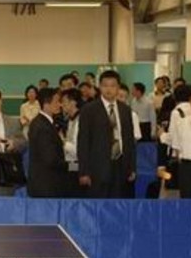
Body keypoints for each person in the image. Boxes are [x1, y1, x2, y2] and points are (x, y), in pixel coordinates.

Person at [77, 70, 138, 198]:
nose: (109, 89)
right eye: (105, 85)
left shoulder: (125, 110)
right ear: (99, 87)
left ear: (118, 88)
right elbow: (83, 142)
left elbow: (129, 140)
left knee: (120, 206)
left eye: (112, 85)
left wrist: (132, 167)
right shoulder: (89, 110)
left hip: (121, 166)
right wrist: (84, 172)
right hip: (97, 168)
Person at [27, 88, 69, 198]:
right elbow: (50, 158)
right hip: (46, 184)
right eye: (57, 101)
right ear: (46, 104)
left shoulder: (43, 123)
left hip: (45, 182)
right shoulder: (42, 126)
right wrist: (70, 165)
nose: (60, 105)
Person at [60, 88, 83, 196]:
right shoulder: (70, 120)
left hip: (78, 166)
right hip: (70, 164)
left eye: (64, 101)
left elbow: (79, 151)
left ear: (73, 102)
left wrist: (62, 142)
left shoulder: (81, 120)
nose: (61, 104)